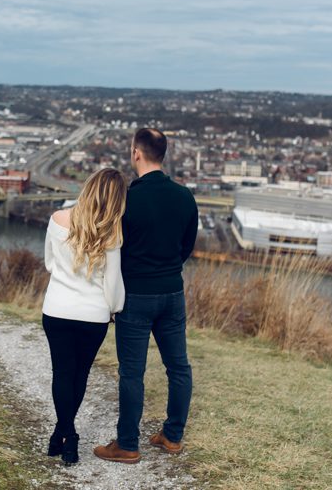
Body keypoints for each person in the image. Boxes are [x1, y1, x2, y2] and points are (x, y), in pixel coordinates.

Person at [94, 128, 198, 464]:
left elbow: (114, 250)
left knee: (132, 372)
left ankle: (127, 444)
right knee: (178, 366)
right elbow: (186, 247)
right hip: (172, 292)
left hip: (136, 295)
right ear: (162, 154)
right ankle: (172, 435)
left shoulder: (127, 199)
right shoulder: (185, 197)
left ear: (136, 153)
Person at [42, 167, 127, 465]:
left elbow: (50, 263)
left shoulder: (57, 220)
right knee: (79, 375)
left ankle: (62, 435)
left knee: (62, 373)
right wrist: (114, 309)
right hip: (93, 317)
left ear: (88, 187)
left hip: (57, 310)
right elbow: (113, 285)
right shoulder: (112, 234)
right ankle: (68, 435)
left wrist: (68, 277)